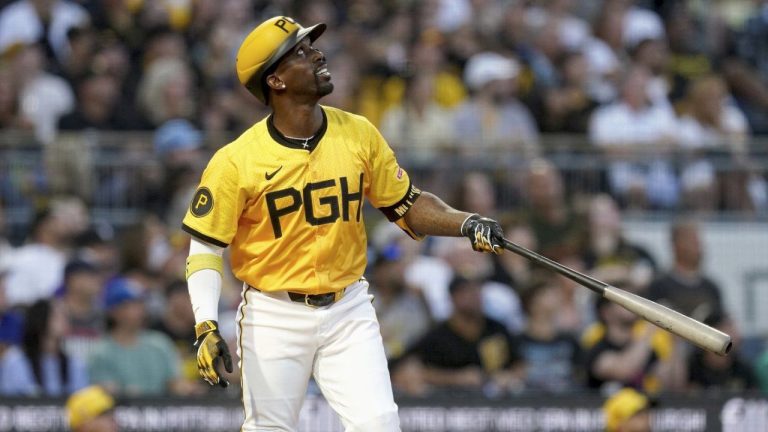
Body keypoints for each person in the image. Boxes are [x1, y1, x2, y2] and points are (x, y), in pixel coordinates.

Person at [181, 16, 507, 431]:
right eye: (300, 52)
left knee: (380, 424)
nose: (317, 55)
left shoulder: (357, 132)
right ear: (276, 80)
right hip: (273, 313)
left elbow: (406, 204)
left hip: (347, 308)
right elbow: (205, 248)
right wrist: (206, 323)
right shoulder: (235, 160)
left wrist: (467, 222)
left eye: (312, 46)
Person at [407, 276, 524, 394]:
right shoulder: (437, 336)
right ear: (453, 297)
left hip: (498, 397)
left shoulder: (496, 329)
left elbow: (519, 363)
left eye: (477, 290)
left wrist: (509, 376)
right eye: (467, 291)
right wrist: (456, 378)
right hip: (451, 399)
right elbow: (416, 370)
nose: (475, 296)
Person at [646, 220, 724, 319]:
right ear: (676, 245)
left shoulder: (710, 288)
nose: (699, 249)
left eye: (699, 243)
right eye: (693, 243)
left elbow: (723, 321)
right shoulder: (659, 286)